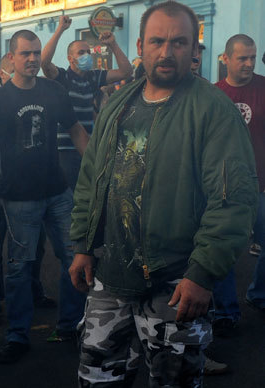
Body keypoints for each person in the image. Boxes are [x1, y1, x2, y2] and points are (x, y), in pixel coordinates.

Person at [69, 3, 258, 386]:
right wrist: (84, 244)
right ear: (140, 45)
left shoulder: (214, 111)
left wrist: (203, 274)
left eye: (178, 42)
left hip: (177, 283)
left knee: (174, 381)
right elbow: (92, 177)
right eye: (157, 41)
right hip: (111, 275)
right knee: (96, 378)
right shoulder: (118, 105)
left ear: (194, 49)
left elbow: (233, 199)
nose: (166, 51)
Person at [0, 30, 89, 364]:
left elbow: (77, 132)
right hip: (18, 198)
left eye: (36, 53)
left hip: (57, 191)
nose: (31, 59)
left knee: (75, 260)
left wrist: (100, 171)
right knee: (19, 269)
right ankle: (18, 336)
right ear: (11, 57)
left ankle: (71, 326)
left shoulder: (54, 90)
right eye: (25, 53)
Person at [0, 55, 55, 327]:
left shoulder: (33, 99)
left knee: (33, 245)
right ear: (1, 72)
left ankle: (32, 289)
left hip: (29, 188)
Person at [41, 15, 132, 190]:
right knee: (70, 195)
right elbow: (44, 63)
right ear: (70, 59)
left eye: (88, 52)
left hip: (87, 146)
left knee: (87, 193)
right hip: (64, 150)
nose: (86, 56)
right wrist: (60, 29)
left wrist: (113, 44)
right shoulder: (63, 77)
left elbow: (126, 72)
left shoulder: (94, 77)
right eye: (81, 53)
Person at [213, 34, 265, 335]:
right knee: (223, 252)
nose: (248, 63)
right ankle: (226, 310)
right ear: (226, 58)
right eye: (242, 57)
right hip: (225, 188)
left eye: (252, 57)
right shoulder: (214, 94)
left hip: (261, 185)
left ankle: (258, 294)